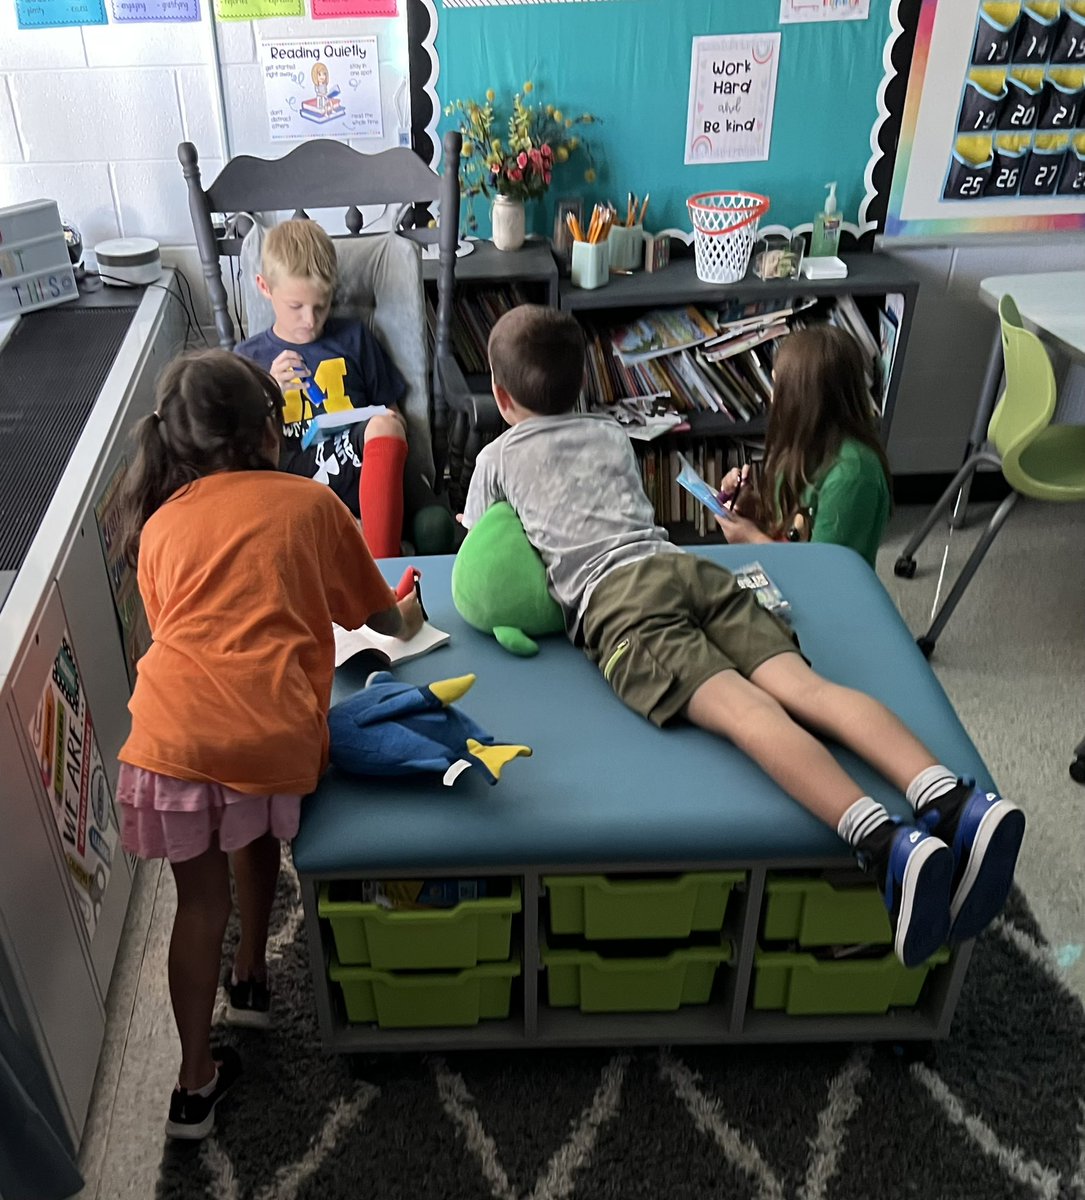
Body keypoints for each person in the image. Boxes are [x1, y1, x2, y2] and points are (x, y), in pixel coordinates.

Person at [463, 305, 1025, 971]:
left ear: (501, 396)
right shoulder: (610, 432)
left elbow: (486, 555)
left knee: (745, 713)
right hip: (684, 568)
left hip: (620, 605)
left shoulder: (496, 457)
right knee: (807, 689)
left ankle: (885, 846)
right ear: (584, 383)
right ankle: (951, 798)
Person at [115, 349, 422, 1140]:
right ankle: (250, 979)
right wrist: (408, 612)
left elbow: (180, 632)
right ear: (269, 434)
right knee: (253, 827)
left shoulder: (158, 526)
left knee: (196, 904)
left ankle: (192, 1085)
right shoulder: (309, 506)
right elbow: (380, 621)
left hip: (167, 739)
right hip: (269, 734)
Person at [236, 218, 418, 558]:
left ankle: (381, 563)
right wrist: (268, 393)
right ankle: (335, 535)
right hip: (289, 482)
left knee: (386, 424)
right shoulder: (247, 359)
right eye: (296, 307)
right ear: (264, 287)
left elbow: (395, 418)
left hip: (352, 472)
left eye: (321, 306)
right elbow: (236, 454)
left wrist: (378, 422)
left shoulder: (354, 338)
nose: (309, 319)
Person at [717, 324, 891, 569]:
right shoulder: (800, 444)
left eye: (779, 388)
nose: (772, 398)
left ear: (807, 401)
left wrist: (751, 539)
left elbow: (821, 572)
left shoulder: (852, 475)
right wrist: (752, 509)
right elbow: (788, 529)